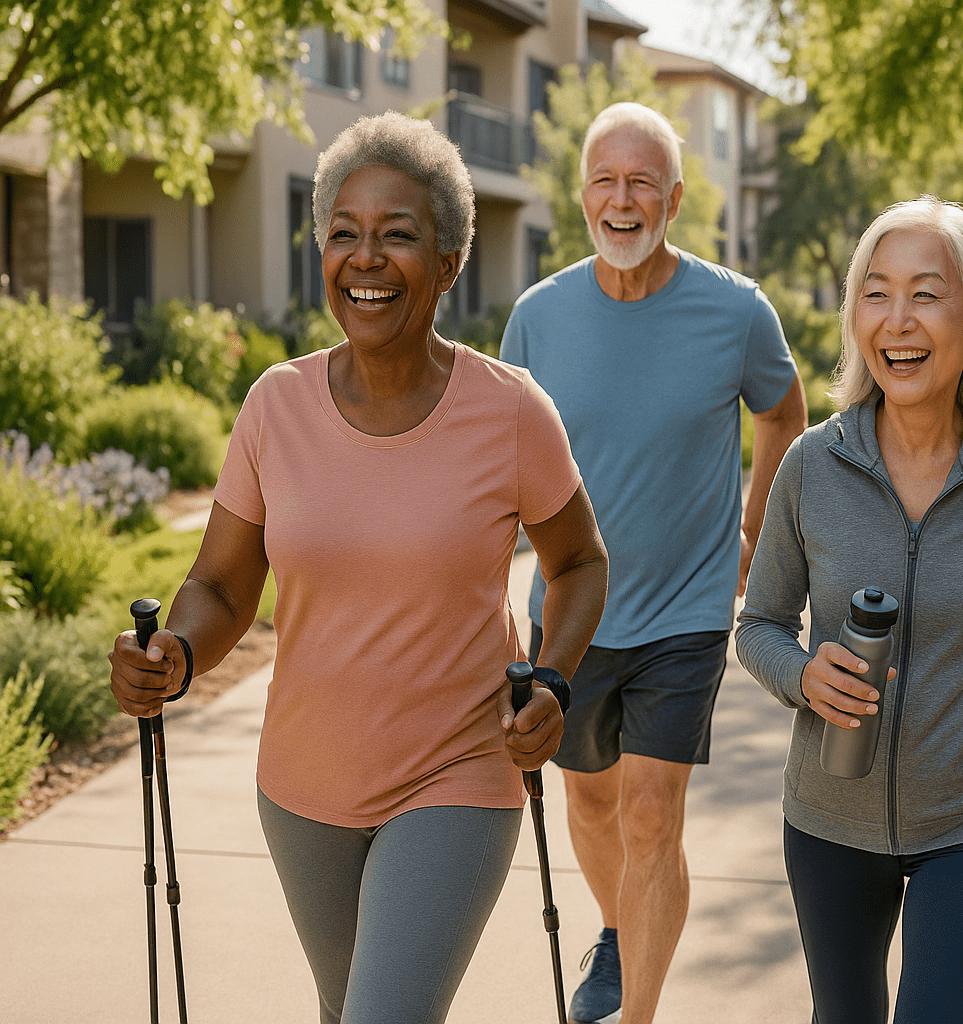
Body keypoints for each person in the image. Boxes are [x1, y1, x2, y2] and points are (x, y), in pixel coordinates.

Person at [108, 111, 609, 1024]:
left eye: (397, 236)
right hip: (302, 791)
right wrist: (175, 653)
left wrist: (552, 681)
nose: (366, 258)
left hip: (460, 773)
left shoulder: (510, 413)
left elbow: (578, 561)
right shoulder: (275, 407)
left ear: (449, 263)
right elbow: (221, 584)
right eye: (344, 234)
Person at [735, 196, 963, 1023]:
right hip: (829, 820)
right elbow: (758, 624)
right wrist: (802, 677)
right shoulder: (811, 465)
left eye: (926, 294)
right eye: (876, 291)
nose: (898, 320)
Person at [499, 101, 806, 1024]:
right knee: (590, 807)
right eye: (605, 180)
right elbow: (501, 466)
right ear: (582, 196)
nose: (622, 199)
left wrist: (756, 531)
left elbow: (782, 413)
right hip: (573, 614)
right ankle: (619, 930)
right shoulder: (537, 318)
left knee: (651, 813)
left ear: (674, 198)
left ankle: (638, 1013)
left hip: (686, 611)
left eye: (642, 182)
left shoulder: (735, 311)